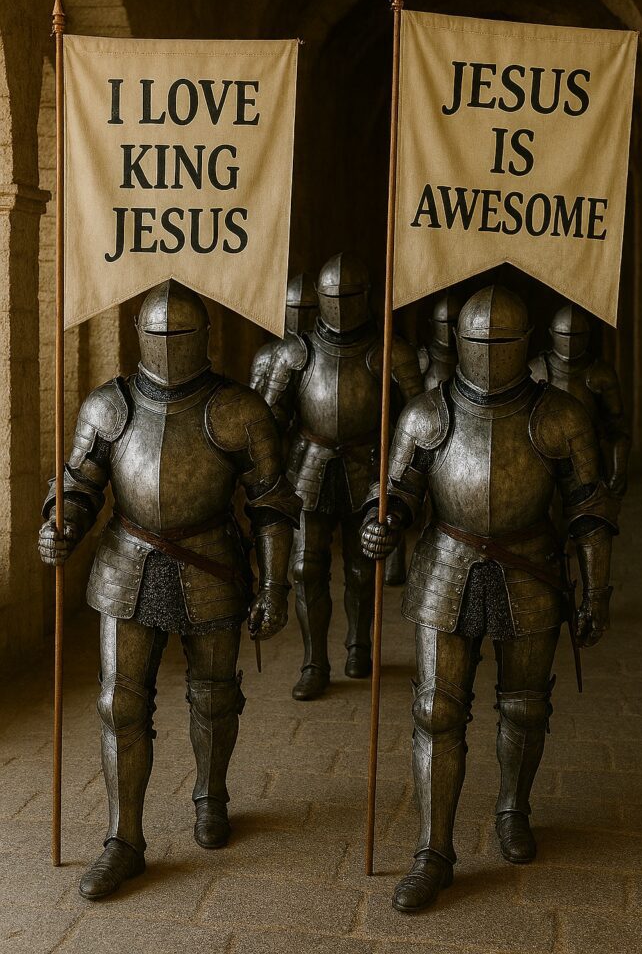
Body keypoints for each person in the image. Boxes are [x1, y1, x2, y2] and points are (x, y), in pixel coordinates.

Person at [38, 280, 300, 900]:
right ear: (138, 338)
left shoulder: (238, 408)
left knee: (214, 695)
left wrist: (276, 583)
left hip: (210, 561)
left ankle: (211, 795)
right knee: (120, 704)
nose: (168, 344)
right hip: (127, 562)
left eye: (180, 333)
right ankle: (123, 838)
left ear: (205, 337)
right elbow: (81, 477)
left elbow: (272, 502)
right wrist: (63, 521)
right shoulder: (111, 406)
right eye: (156, 334)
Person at [361, 283, 618, 913]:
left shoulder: (559, 414)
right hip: (447, 564)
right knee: (435, 711)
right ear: (460, 342)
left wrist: (595, 590)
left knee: (526, 706)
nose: (489, 351)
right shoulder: (427, 413)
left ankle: (513, 808)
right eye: (480, 341)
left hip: (530, 566)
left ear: (525, 346)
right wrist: (382, 519)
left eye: (502, 342)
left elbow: (589, 509)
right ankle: (432, 850)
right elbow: (399, 488)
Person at [257, 252, 423, 700]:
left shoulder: (389, 351)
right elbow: (270, 419)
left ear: (366, 297)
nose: (342, 305)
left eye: (350, 297)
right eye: (334, 297)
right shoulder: (297, 353)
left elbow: (417, 418)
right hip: (309, 465)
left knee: (361, 564)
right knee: (305, 567)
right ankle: (314, 661)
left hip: (367, 465)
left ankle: (359, 643)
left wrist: (398, 472)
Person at [529, 303, 630, 495]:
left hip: (590, 462)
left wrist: (619, 470)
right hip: (543, 463)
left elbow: (617, 429)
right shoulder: (536, 370)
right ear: (552, 334)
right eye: (565, 335)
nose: (570, 342)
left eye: (576, 336)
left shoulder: (600, 373)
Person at [249, 272, 318, 394]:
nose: (300, 316)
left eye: (308, 309)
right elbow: (257, 406)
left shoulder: (322, 356)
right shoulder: (266, 355)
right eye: (294, 309)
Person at [418, 292, 461, 391]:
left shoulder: (467, 354)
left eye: (453, 322)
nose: (448, 328)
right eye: (443, 323)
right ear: (432, 324)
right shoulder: (423, 357)